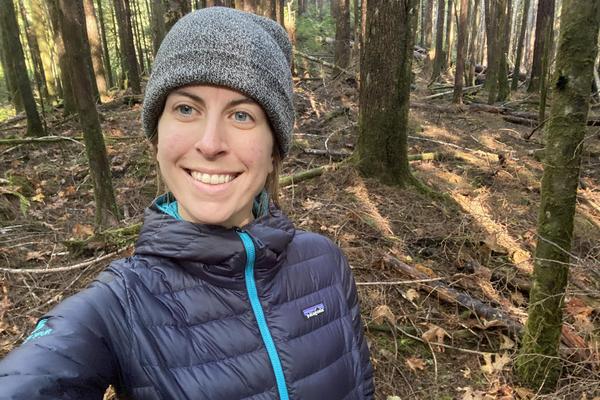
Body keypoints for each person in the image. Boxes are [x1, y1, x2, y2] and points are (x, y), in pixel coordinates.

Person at [0, 7, 374, 400]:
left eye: (242, 114)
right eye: (185, 109)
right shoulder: (120, 305)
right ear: (157, 137)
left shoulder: (325, 265)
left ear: (273, 150)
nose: (210, 143)